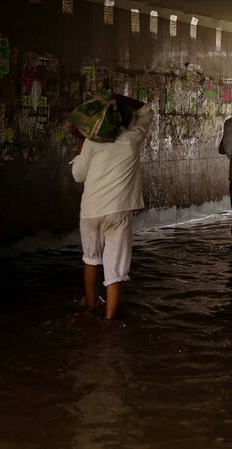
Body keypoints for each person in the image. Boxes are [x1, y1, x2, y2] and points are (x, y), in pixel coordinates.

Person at [69, 94, 153, 320]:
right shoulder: (133, 137)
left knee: (91, 259)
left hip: (91, 210)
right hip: (118, 212)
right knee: (115, 269)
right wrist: (122, 97)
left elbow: (78, 176)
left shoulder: (93, 141)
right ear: (128, 121)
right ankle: (109, 319)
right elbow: (148, 111)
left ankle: (91, 305)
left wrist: (81, 140)